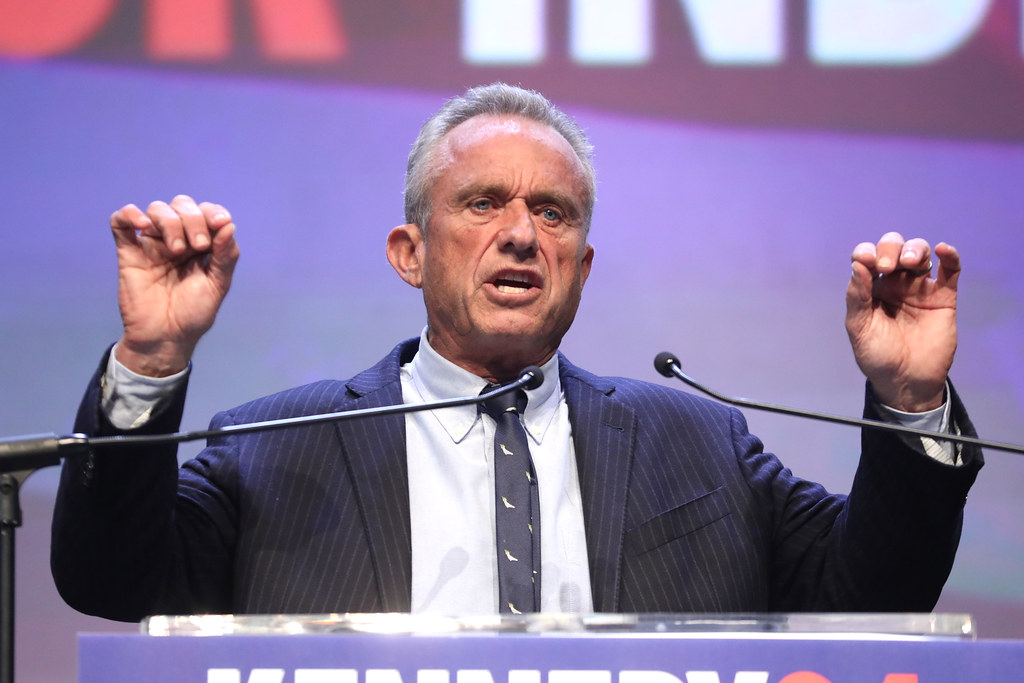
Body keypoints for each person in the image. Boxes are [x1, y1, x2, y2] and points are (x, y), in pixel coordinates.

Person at [51, 83, 981, 621]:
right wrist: (151, 359)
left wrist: (907, 395)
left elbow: (877, 591)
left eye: (553, 212)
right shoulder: (273, 447)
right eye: (483, 202)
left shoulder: (698, 443)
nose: (521, 234)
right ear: (409, 254)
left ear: (581, 263)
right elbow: (110, 581)